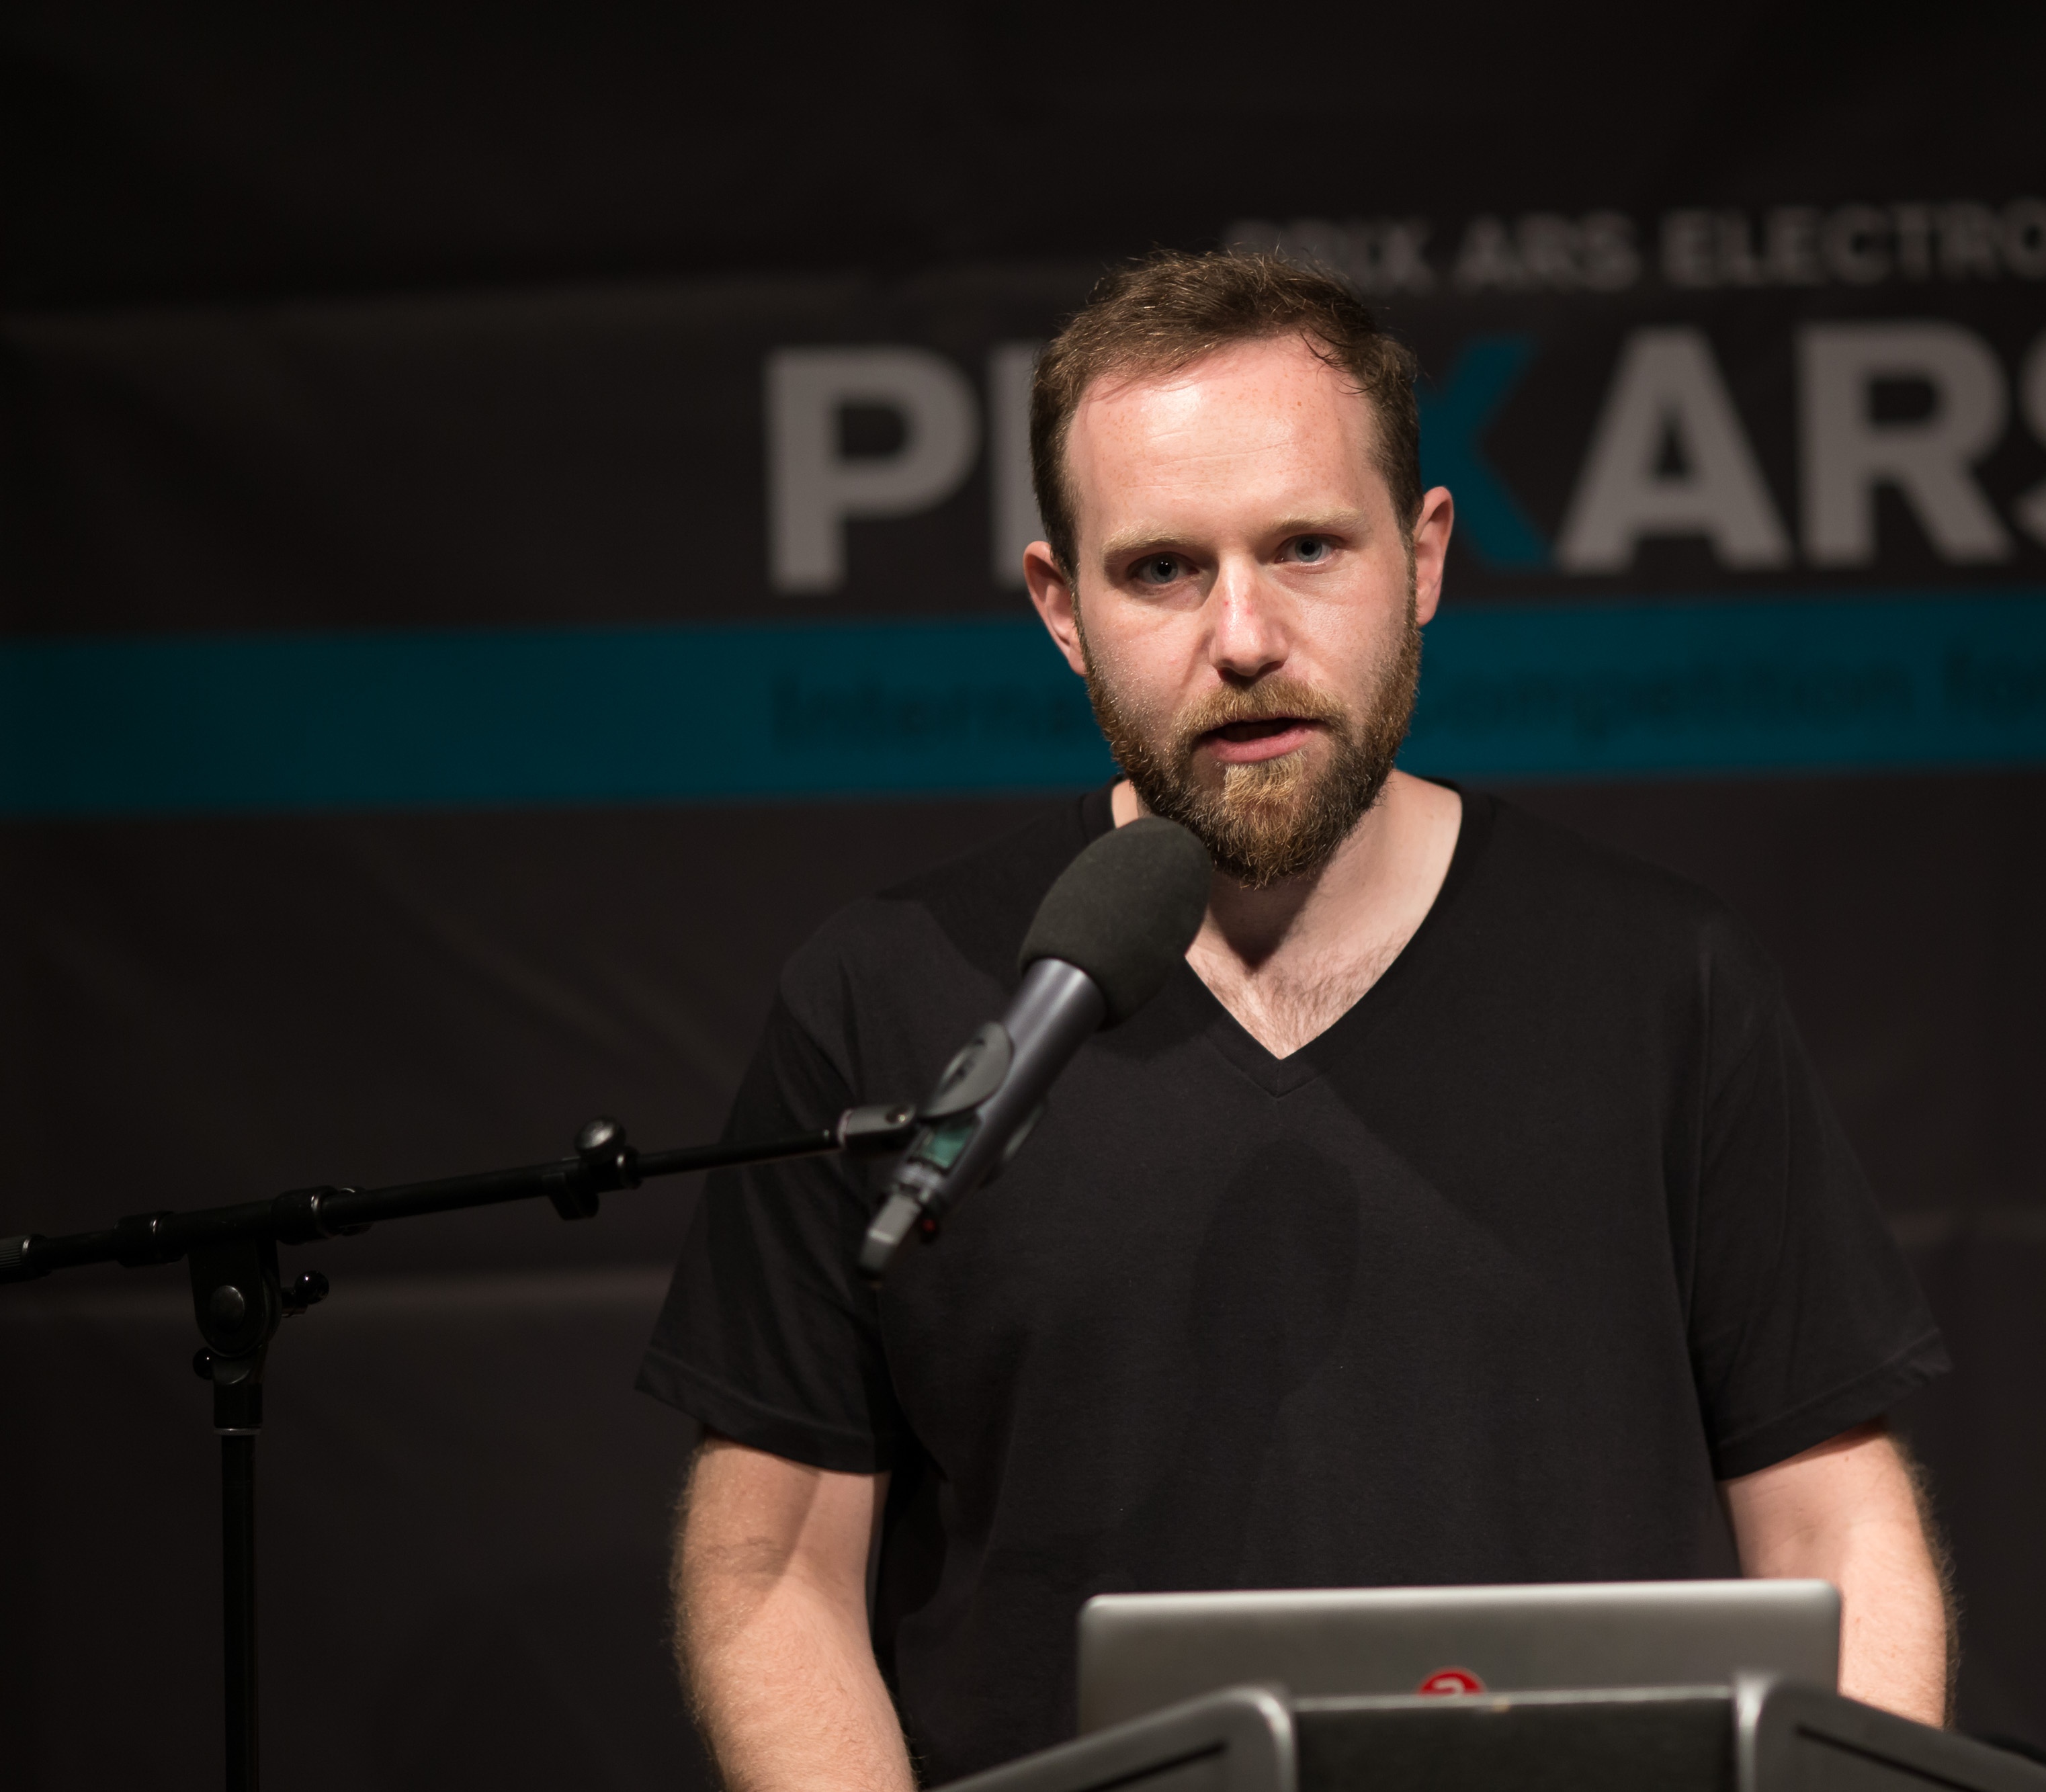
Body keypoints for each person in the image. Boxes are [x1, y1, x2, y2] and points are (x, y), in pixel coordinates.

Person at [640, 250, 1953, 1790]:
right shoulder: (889, 995)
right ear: (1060, 608)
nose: (1244, 634)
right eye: (1160, 569)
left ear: (1424, 557)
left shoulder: (1669, 979)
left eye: (1307, 547)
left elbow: (1830, 1523)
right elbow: (770, 1570)